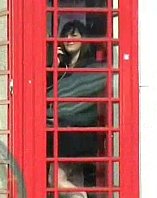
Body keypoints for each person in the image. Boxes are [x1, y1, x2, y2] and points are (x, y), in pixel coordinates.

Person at [47, 20, 107, 198]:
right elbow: (47, 95)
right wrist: (55, 66)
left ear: (84, 39)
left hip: (78, 135)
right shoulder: (64, 69)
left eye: (74, 34)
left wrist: (52, 111)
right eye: (65, 35)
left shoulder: (92, 69)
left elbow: (63, 100)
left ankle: (81, 196)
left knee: (56, 181)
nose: (68, 39)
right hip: (63, 134)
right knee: (66, 181)